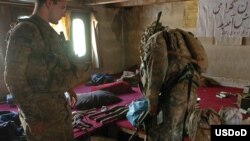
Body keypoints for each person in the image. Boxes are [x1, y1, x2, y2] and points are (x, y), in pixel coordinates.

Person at [4, 0, 83, 140]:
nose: (64, 12)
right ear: (48, 3)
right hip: (42, 120)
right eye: (62, 7)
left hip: (59, 115)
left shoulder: (49, 32)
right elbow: (13, 78)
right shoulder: (24, 31)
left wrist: (68, 88)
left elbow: (55, 66)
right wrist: (32, 117)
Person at [139, 21, 208, 141]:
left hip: (174, 96)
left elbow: (156, 75)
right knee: (183, 128)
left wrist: (152, 103)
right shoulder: (179, 38)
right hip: (191, 91)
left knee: (166, 134)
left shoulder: (155, 41)